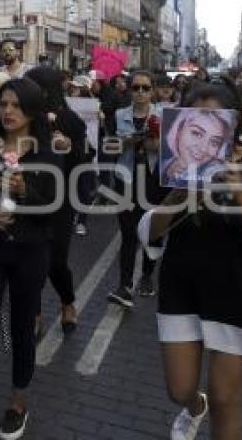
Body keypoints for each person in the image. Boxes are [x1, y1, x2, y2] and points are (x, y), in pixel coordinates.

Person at [139, 81, 242, 440]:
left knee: (226, 399)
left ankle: (211, 408)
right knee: (179, 388)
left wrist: (239, 194)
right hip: (182, 283)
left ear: (233, 122)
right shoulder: (171, 163)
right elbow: (150, 227)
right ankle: (194, 406)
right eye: (195, 124)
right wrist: (179, 190)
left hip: (235, 289)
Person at [0, 78, 60, 440]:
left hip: (30, 251)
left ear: (33, 111)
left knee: (22, 329)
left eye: (17, 106)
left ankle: (18, 400)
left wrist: (28, 192)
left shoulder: (47, 152)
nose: (8, 111)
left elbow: (54, 209)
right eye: (4, 104)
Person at [26, 66, 90, 333]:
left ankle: (68, 303)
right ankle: (35, 312)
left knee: (56, 260)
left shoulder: (71, 120)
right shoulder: (24, 117)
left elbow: (84, 162)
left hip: (60, 199)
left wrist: (69, 148)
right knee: (30, 258)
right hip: (28, 195)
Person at [107, 71, 164, 307]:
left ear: (153, 90)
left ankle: (148, 276)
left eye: (145, 88)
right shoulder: (119, 115)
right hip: (126, 178)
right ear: (129, 90)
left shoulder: (162, 115)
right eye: (136, 88)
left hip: (153, 179)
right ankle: (125, 284)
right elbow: (110, 146)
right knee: (128, 232)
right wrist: (130, 139)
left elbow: (170, 148)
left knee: (150, 230)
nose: (140, 92)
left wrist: (155, 143)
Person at [160, 109, 234, 188]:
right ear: (179, 130)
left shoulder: (211, 175)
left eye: (214, 142)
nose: (203, 149)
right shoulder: (162, 164)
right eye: (197, 133)